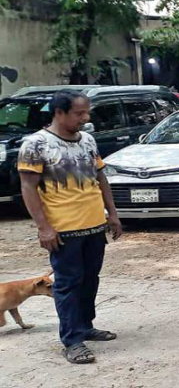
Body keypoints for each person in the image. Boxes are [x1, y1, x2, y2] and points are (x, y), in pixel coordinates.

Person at [18, 90, 123, 364]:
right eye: (79, 113)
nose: (85, 118)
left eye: (87, 112)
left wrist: (112, 214)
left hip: (94, 226)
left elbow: (101, 178)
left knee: (90, 279)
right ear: (59, 112)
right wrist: (44, 228)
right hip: (63, 230)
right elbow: (28, 187)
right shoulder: (36, 144)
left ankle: (85, 326)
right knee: (67, 284)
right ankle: (72, 340)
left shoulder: (87, 139)